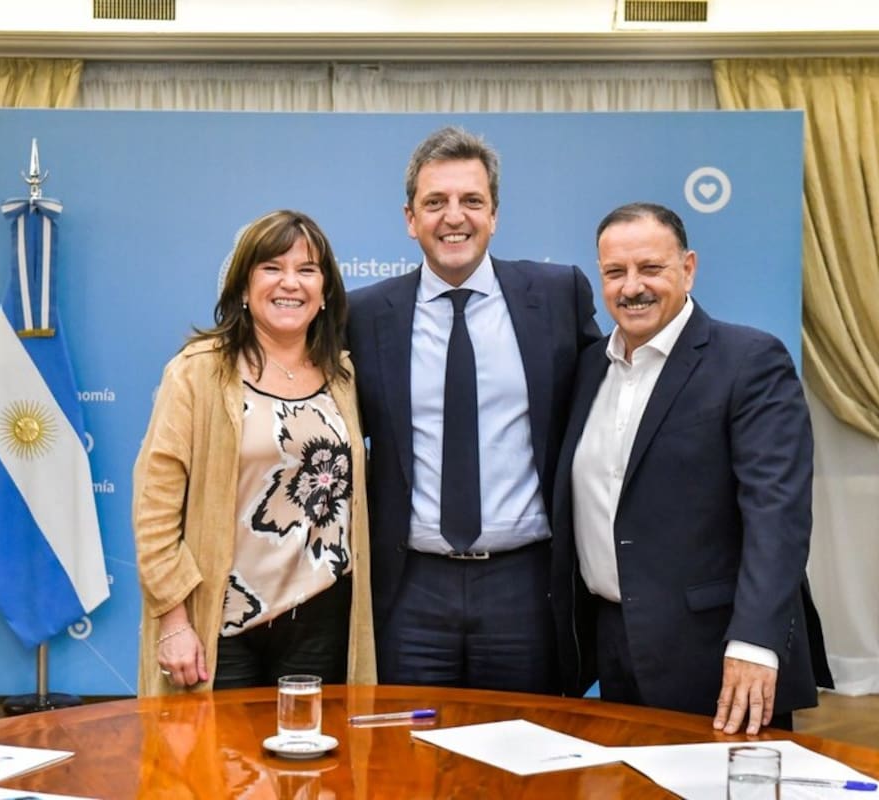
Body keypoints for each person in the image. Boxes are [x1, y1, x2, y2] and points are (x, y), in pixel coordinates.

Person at [553, 201, 833, 733]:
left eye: (650, 268)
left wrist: (755, 642)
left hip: (720, 652)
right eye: (615, 272)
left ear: (688, 268)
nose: (632, 286)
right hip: (615, 644)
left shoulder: (749, 361)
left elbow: (777, 515)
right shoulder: (589, 368)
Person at [346, 126, 601, 695]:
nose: (453, 217)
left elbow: (604, 406)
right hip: (410, 586)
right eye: (435, 202)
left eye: (471, 201)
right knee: (406, 767)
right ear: (410, 218)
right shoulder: (364, 315)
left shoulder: (559, 296)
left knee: (522, 762)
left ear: (495, 215)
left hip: (526, 585)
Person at [133, 209, 376, 695]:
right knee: (220, 766)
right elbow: (155, 505)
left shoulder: (344, 376)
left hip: (322, 618)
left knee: (312, 762)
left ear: (325, 292)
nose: (291, 283)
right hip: (222, 623)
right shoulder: (197, 373)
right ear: (243, 286)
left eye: (307, 270)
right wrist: (174, 620)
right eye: (272, 268)